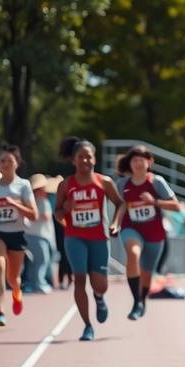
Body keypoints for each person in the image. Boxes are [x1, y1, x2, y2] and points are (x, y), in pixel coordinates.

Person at [54, 137, 124, 341]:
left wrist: (115, 223)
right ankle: (87, 326)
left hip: (99, 238)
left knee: (100, 284)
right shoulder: (66, 185)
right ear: (73, 161)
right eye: (81, 157)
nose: (85, 161)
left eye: (89, 157)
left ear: (95, 159)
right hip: (75, 237)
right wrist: (64, 216)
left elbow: (121, 204)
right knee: (79, 280)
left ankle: (99, 298)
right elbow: (57, 211)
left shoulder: (104, 182)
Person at [112, 145, 181, 320]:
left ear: (148, 162)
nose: (137, 163)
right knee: (133, 254)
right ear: (130, 163)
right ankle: (136, 302)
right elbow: (122, 206)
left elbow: (176, 206)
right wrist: (115, 223)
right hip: (131, 227)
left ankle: (142, 300)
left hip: (154, 232)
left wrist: (154, 202)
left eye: (141, 160)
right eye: (134, 160)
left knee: (147, 272)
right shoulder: (122, 184)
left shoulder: (157, 182)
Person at [0, 145, 38, 325]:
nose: (5, 164)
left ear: (17, 163)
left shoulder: (23, 185)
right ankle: (1, 312)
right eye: (2, 161)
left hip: (18, 234)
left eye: (9, 161)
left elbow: (34, 215)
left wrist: (15, 204)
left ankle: (17, 292)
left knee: (13, 278)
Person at [23, 174, 58, 294]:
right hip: (36, 235)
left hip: (40, 235)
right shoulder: (38, 202)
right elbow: (45, 216)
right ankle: (38, 283)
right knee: (41, 259)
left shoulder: (41, 201)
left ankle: (36, 282)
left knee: (40, 260)